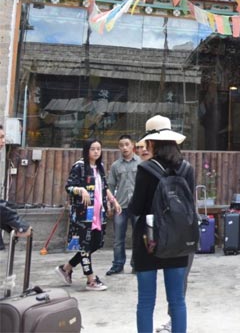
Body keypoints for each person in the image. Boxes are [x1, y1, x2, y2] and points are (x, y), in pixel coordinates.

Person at [129, 115, 193, 333]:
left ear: (152, 143)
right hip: (178, 239)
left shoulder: (145, 170)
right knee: (177, 301)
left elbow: (136, 208)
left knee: (146, 301)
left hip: (149, 240)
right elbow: (189, 204)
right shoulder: (186, 169)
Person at [55, 138, 122, 291]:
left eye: (99, 149)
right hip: (83, 213)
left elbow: (104, 187)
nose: (96, 152)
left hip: (99, 213)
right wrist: (81, 190)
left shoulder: (100, 167)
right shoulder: (79, 167)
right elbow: (69, 187)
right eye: (93, 149)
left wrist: (114, 201)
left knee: (96, 243)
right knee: (85, 245)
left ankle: (66, 268)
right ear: (86, 150)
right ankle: (91, 280)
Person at [106, 134, 141, 275]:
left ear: (133, 145)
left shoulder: (140, 163)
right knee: (118, 238)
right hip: (120, 206)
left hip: (137, 205)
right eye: (121, 145)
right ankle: (117, 265)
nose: (124, 147)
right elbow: (110, 186)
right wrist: (110, 204)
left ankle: (136, 264)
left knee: (138, 236)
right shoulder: (116, 166)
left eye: (127, 144)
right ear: (118, 147)